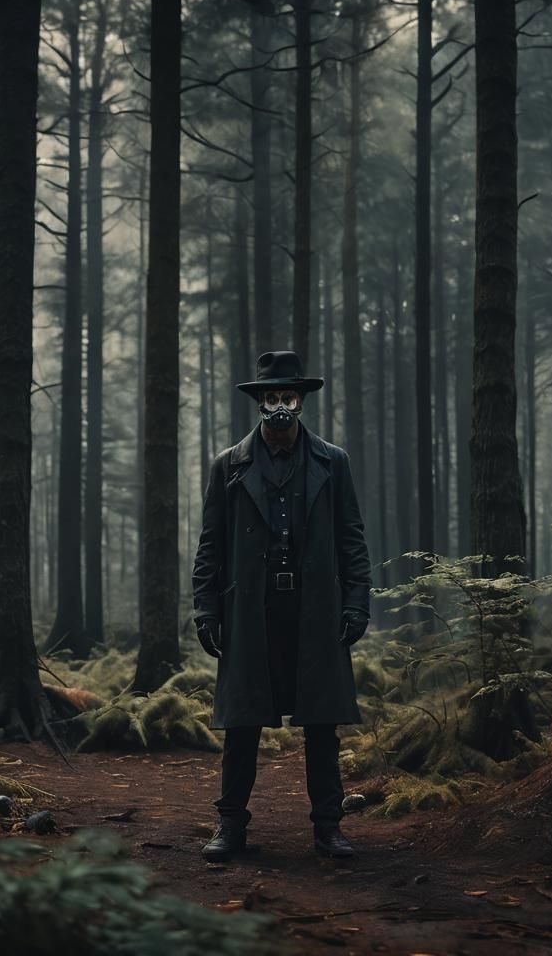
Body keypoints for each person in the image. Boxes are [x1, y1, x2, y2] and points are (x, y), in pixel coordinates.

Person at [191, 350, 372, 861]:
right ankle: (230, 824)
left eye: (288, 397)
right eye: (271, 397)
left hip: (315, 609)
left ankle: (328, 827)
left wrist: (356, 602)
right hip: (251, 610)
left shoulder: (333, 462)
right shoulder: (228, 465)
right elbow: (210, 544)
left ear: (301, 401)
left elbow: (352, 538)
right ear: (259, 402)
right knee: (242, 721)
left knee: (322, 722)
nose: (279, 407)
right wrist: (206, 609)